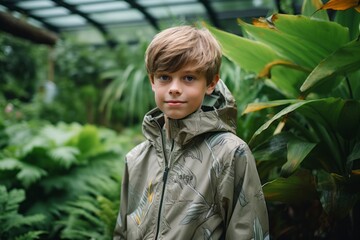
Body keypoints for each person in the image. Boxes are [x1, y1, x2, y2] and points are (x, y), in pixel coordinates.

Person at [113, 25, 269, 240]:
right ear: (152, 81)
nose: (174, 88)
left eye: (188, 78)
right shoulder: (136, 159)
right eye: (165, 77)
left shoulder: (231, 153)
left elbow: (248, 232)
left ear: (211, 83)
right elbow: (122, 231)